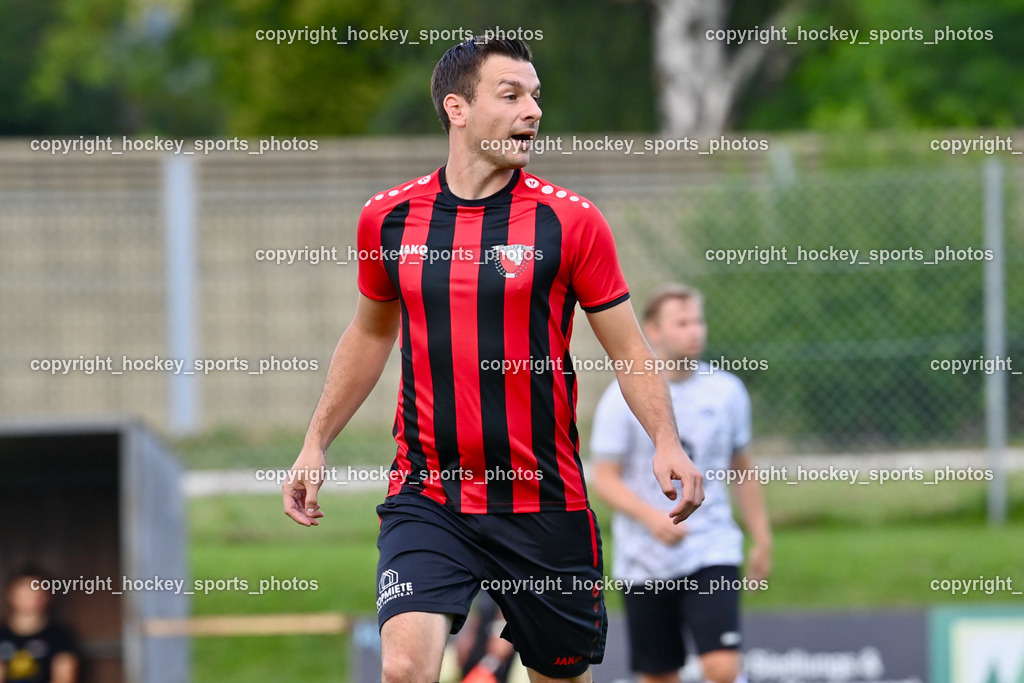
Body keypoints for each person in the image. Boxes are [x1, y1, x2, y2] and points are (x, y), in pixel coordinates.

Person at [282, 35, 704, 683]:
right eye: (510, 95)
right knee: (403, 668)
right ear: (457, 108)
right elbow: (369, 334)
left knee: (558, 675)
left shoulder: (570, 221)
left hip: (544, 499)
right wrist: (315, 442)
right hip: (429, 491)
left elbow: (628, 348)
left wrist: (667, 439)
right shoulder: (388, 219)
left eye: (535, 96)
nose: (531, 110)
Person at [590, 284, 772, 683]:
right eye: (682, 323)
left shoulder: (726, 391)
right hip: (645, 558)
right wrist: (651, 518)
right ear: (652, 331)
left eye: (698, 321)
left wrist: (761, 537)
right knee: (659, 675)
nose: (695, 331)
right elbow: (604, 479)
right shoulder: (621, 397)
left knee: (722, 668)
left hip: (710, 547)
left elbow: (742, 468)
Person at [0, 567, 79, 683]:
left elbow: (64, 677)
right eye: (26, 593)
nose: (32, 599)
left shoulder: (60, 635)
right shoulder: (2, 634)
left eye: (37, 593)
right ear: (12, 594)